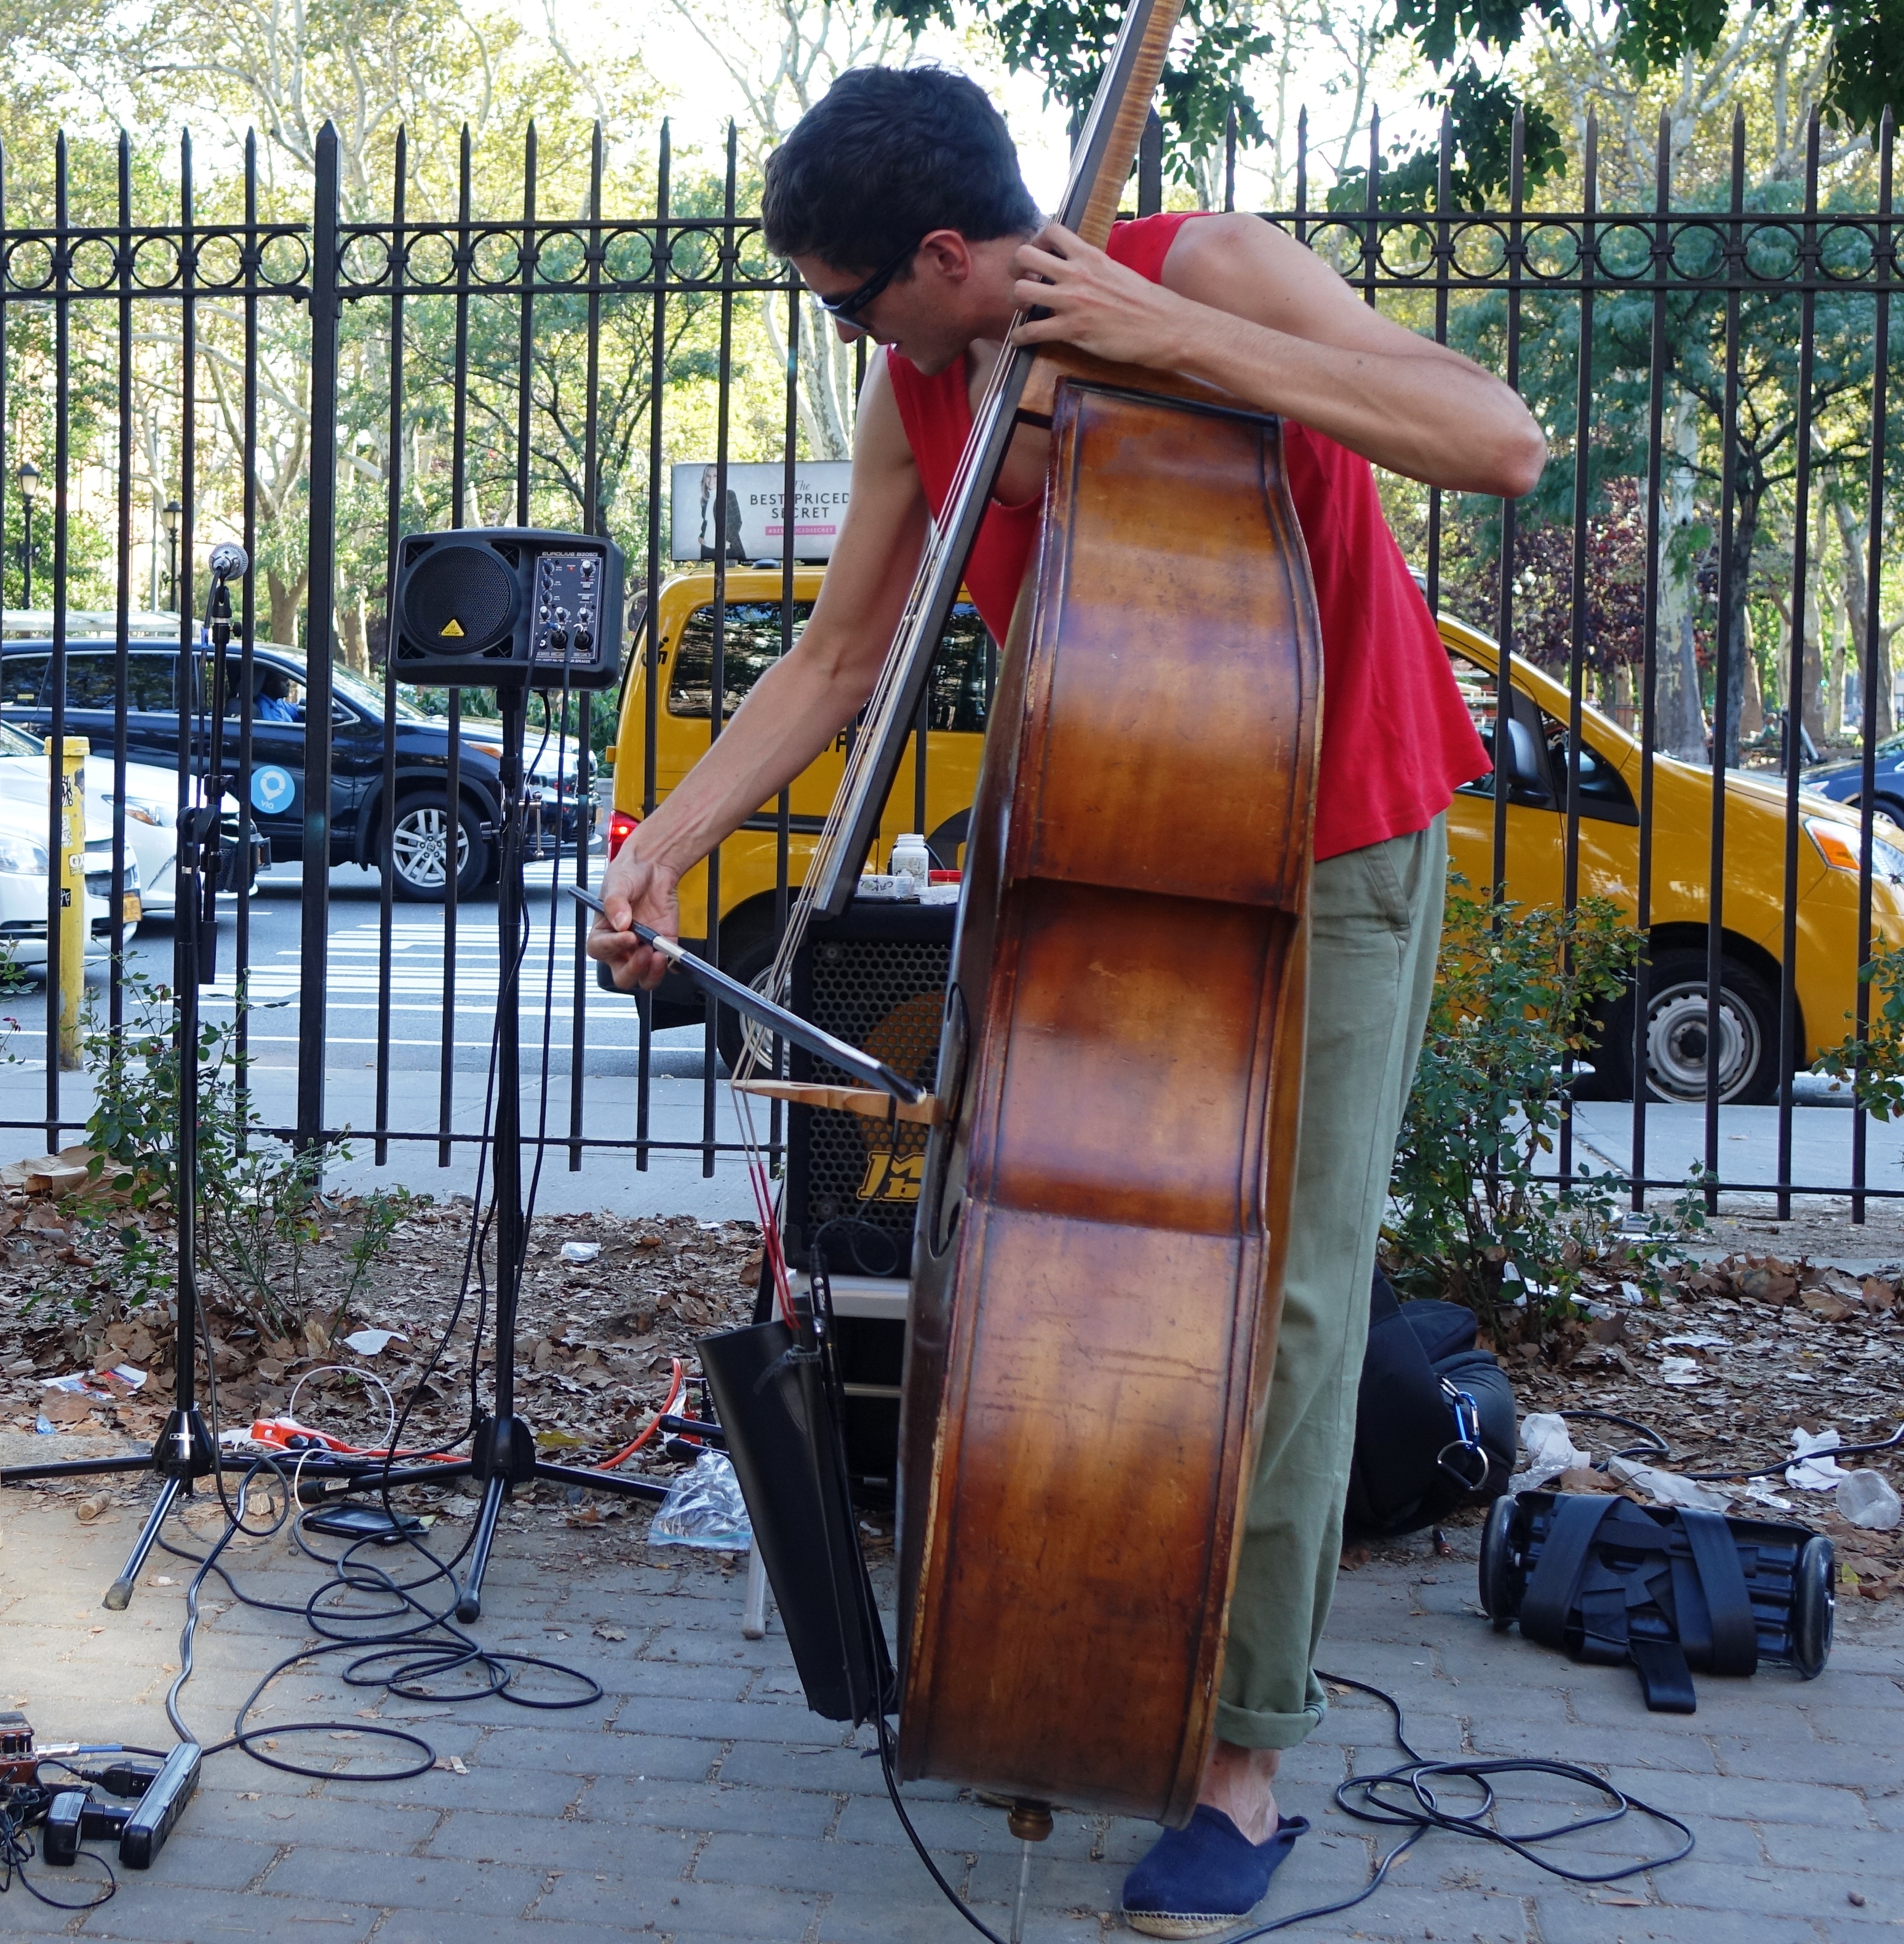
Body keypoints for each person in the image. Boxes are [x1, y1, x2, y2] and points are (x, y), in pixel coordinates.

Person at [586, 66, 1542, 1937]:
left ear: (943, 255)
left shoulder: (1212, 264)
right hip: (1106, 837)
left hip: (1332, 837)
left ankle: (1243, 1758)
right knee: (1058, 1254)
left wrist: (1158, 331)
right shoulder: (922, 392)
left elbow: (1492, 441)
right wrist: (670, 847)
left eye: (849, 299)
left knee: (1278, 1285)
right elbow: (842, 650)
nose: (844, 334)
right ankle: (1066, 1639)